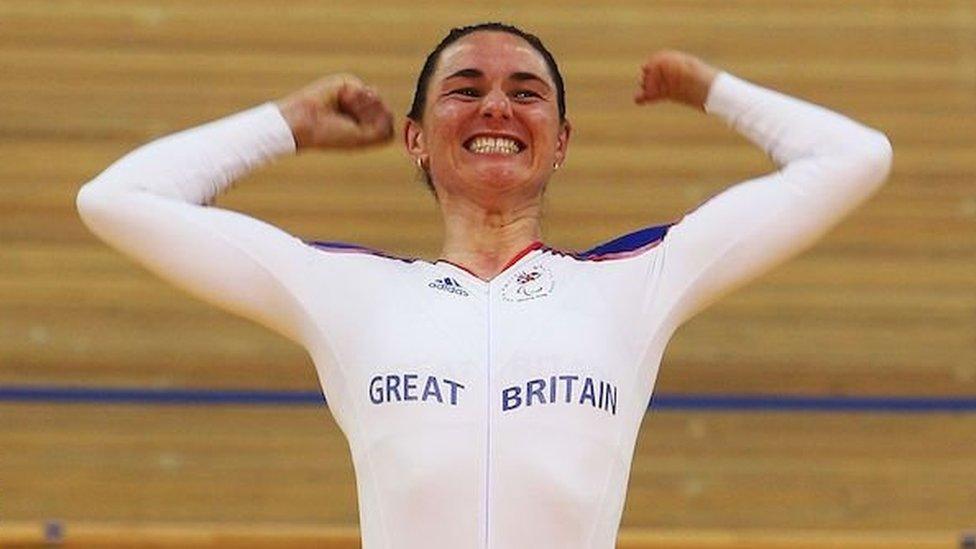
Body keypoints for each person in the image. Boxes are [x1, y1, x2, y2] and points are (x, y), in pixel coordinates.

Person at [76, 22, 891, 549]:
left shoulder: (637, 283)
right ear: (417, 139)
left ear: (561, 142)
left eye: (526, 93)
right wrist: (285, 123)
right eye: (465, 89)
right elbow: (115, 201)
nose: (496, 105)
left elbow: (856, 159)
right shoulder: (344, 291)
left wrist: (712, 89)